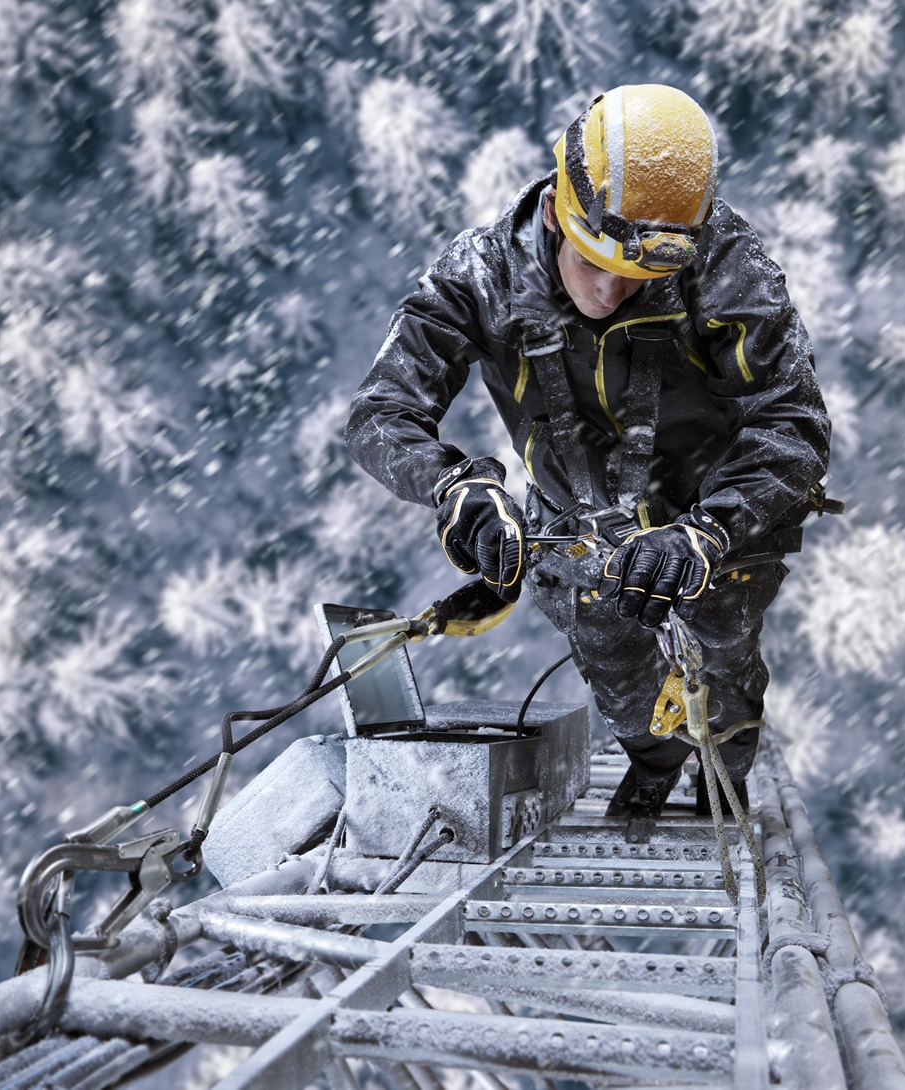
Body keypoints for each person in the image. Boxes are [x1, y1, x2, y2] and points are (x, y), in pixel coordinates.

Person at [343, 84, 832, 828]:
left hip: (718, 516)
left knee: (724, 659)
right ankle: (654, 759)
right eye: (592, 262)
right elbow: (382, 411)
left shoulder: (724, 267)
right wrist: (455, 487)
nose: (608, 292)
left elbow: (791, 421)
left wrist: (706, 532)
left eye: (636, 279)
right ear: (553, 213)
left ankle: (722, 779)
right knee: (613, 663)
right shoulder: (483, 275)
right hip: (578, 516)